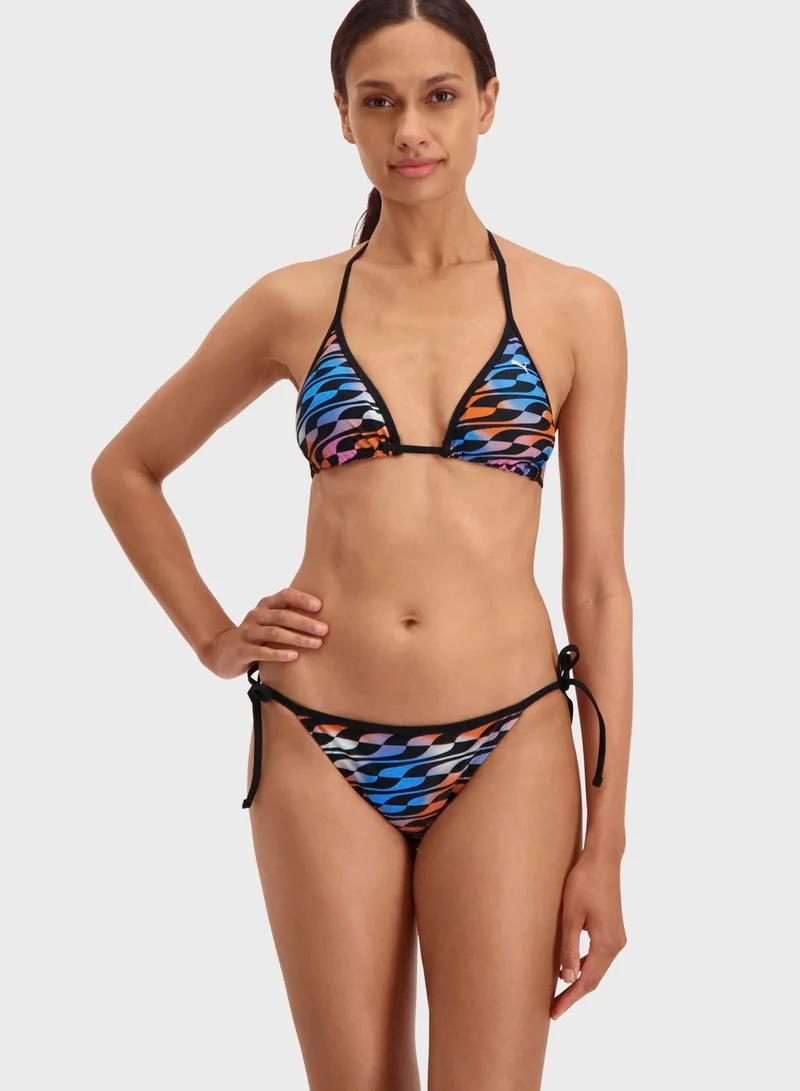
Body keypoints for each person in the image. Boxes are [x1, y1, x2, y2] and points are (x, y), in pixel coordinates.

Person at [91, 0, 632, 1086]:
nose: (409, 130)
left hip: (511, 740)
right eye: (377, 102)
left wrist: (606, 842)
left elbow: (597, 587)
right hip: (317, 737)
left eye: (439, 97)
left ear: (488, 103)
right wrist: (212, 637)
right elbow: (126, 468)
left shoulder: (575, 306)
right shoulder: (292, 303)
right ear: (342, 116)